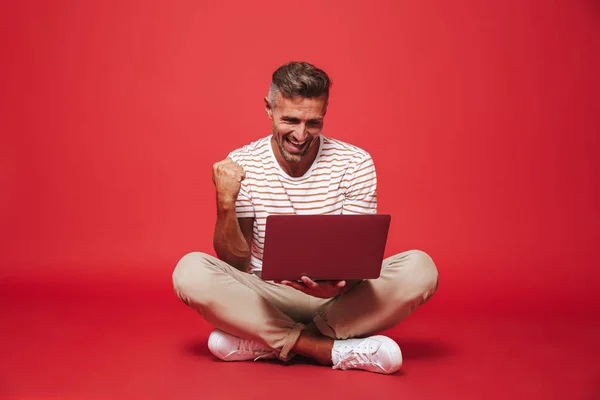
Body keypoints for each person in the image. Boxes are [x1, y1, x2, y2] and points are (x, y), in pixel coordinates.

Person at [172, 61, 439, 374]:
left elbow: (358, 257)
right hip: (267, 295)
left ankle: (270, 341)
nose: (301, 135)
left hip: (339, 300)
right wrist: (225, 201)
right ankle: (326, 349)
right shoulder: (243, 163)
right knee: (189, 270)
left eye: (313, 122)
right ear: (268, 109)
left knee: (421, 268)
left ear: (325, 113)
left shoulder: (355, 163)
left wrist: (338, 286)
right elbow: (237, 264)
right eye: (291, 119)